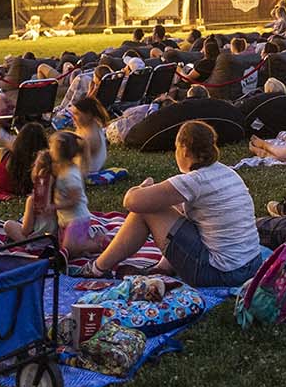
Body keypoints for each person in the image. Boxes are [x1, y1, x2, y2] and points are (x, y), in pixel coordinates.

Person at [81, 121, 264, 286]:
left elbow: (132, 202)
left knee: (146, 210)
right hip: (251, 264)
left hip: (221, 273)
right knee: (173, 210)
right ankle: (163, 268)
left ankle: (97, 268)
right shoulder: (227, 173)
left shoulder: (196, 180)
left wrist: (140, 188)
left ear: (183, 150)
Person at [72, 96, 111, 176]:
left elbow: (72, 157)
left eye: (77, 114)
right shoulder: (89, 126)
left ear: (89, 115)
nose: (73, 118)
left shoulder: (91, 137)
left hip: (87, 171)